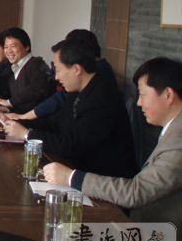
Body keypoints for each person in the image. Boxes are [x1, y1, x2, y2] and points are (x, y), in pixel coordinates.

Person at [44, 57, 182, 227]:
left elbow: (136, 192)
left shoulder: (178, 141)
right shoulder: (174, 127)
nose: (139, 103)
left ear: (168, 95)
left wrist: (71, 177)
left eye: (143, 94)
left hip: (159, 233)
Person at [4, 39, 137, 179]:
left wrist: (27, 134)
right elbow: (54, 123)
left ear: (76, 69)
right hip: (77, 169)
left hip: (102, 180)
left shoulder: (102, 99)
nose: (56, 77)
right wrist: (17, 122)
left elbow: (72, 146)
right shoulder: (78, 89)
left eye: (58, 70)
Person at [0, 29, 116, 122]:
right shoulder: (96, 69)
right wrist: (23, 118)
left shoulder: (98, 73)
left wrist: (24, 122)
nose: (57, 77)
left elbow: (57, 98)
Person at [0, 27, 54, 114]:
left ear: (26, 47)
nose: (9, 51)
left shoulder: (37, 64)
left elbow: (36, 90)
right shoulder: (13, 68)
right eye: (6, 47)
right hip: (19, 118)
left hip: (38, 121)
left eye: (13, 46)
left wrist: (9, 102)